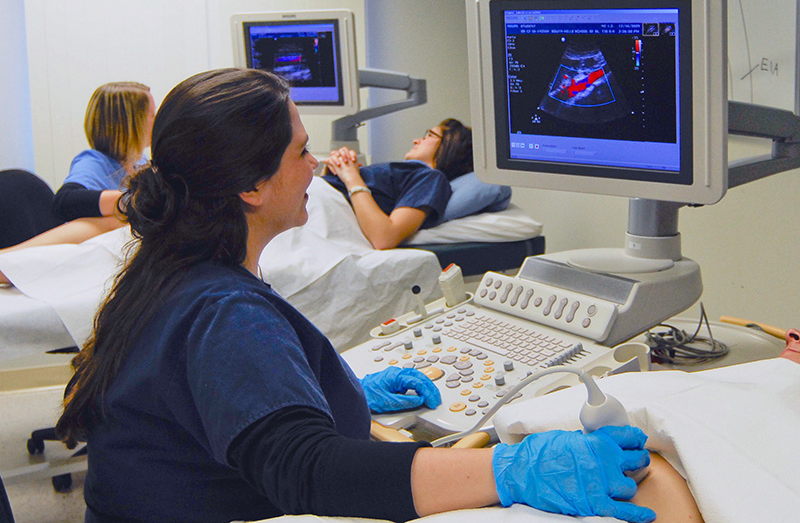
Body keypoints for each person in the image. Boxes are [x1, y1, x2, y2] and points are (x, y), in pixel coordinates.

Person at [55, 68, 653, 523]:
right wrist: (513, 470)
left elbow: (200, 400)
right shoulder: (223, 310)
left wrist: (322, 394)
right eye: (299, 152)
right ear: (251, 187)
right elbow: (308, 470)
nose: (316, 166)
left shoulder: (165, 274)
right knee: (651, 486)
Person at [322, 119, 507, 249]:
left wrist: (351, 176)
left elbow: (384, 237)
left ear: (450, 147)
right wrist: (335, 169)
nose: (416, 140)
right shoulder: (410, 173)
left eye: (429, 135)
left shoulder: (431, 178)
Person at [52, 81, 156, 222]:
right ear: (130, 124)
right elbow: (64, 202)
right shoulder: (93, 163)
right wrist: (132, 201)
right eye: (152, 116)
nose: (156, 121)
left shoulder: (139, 161)